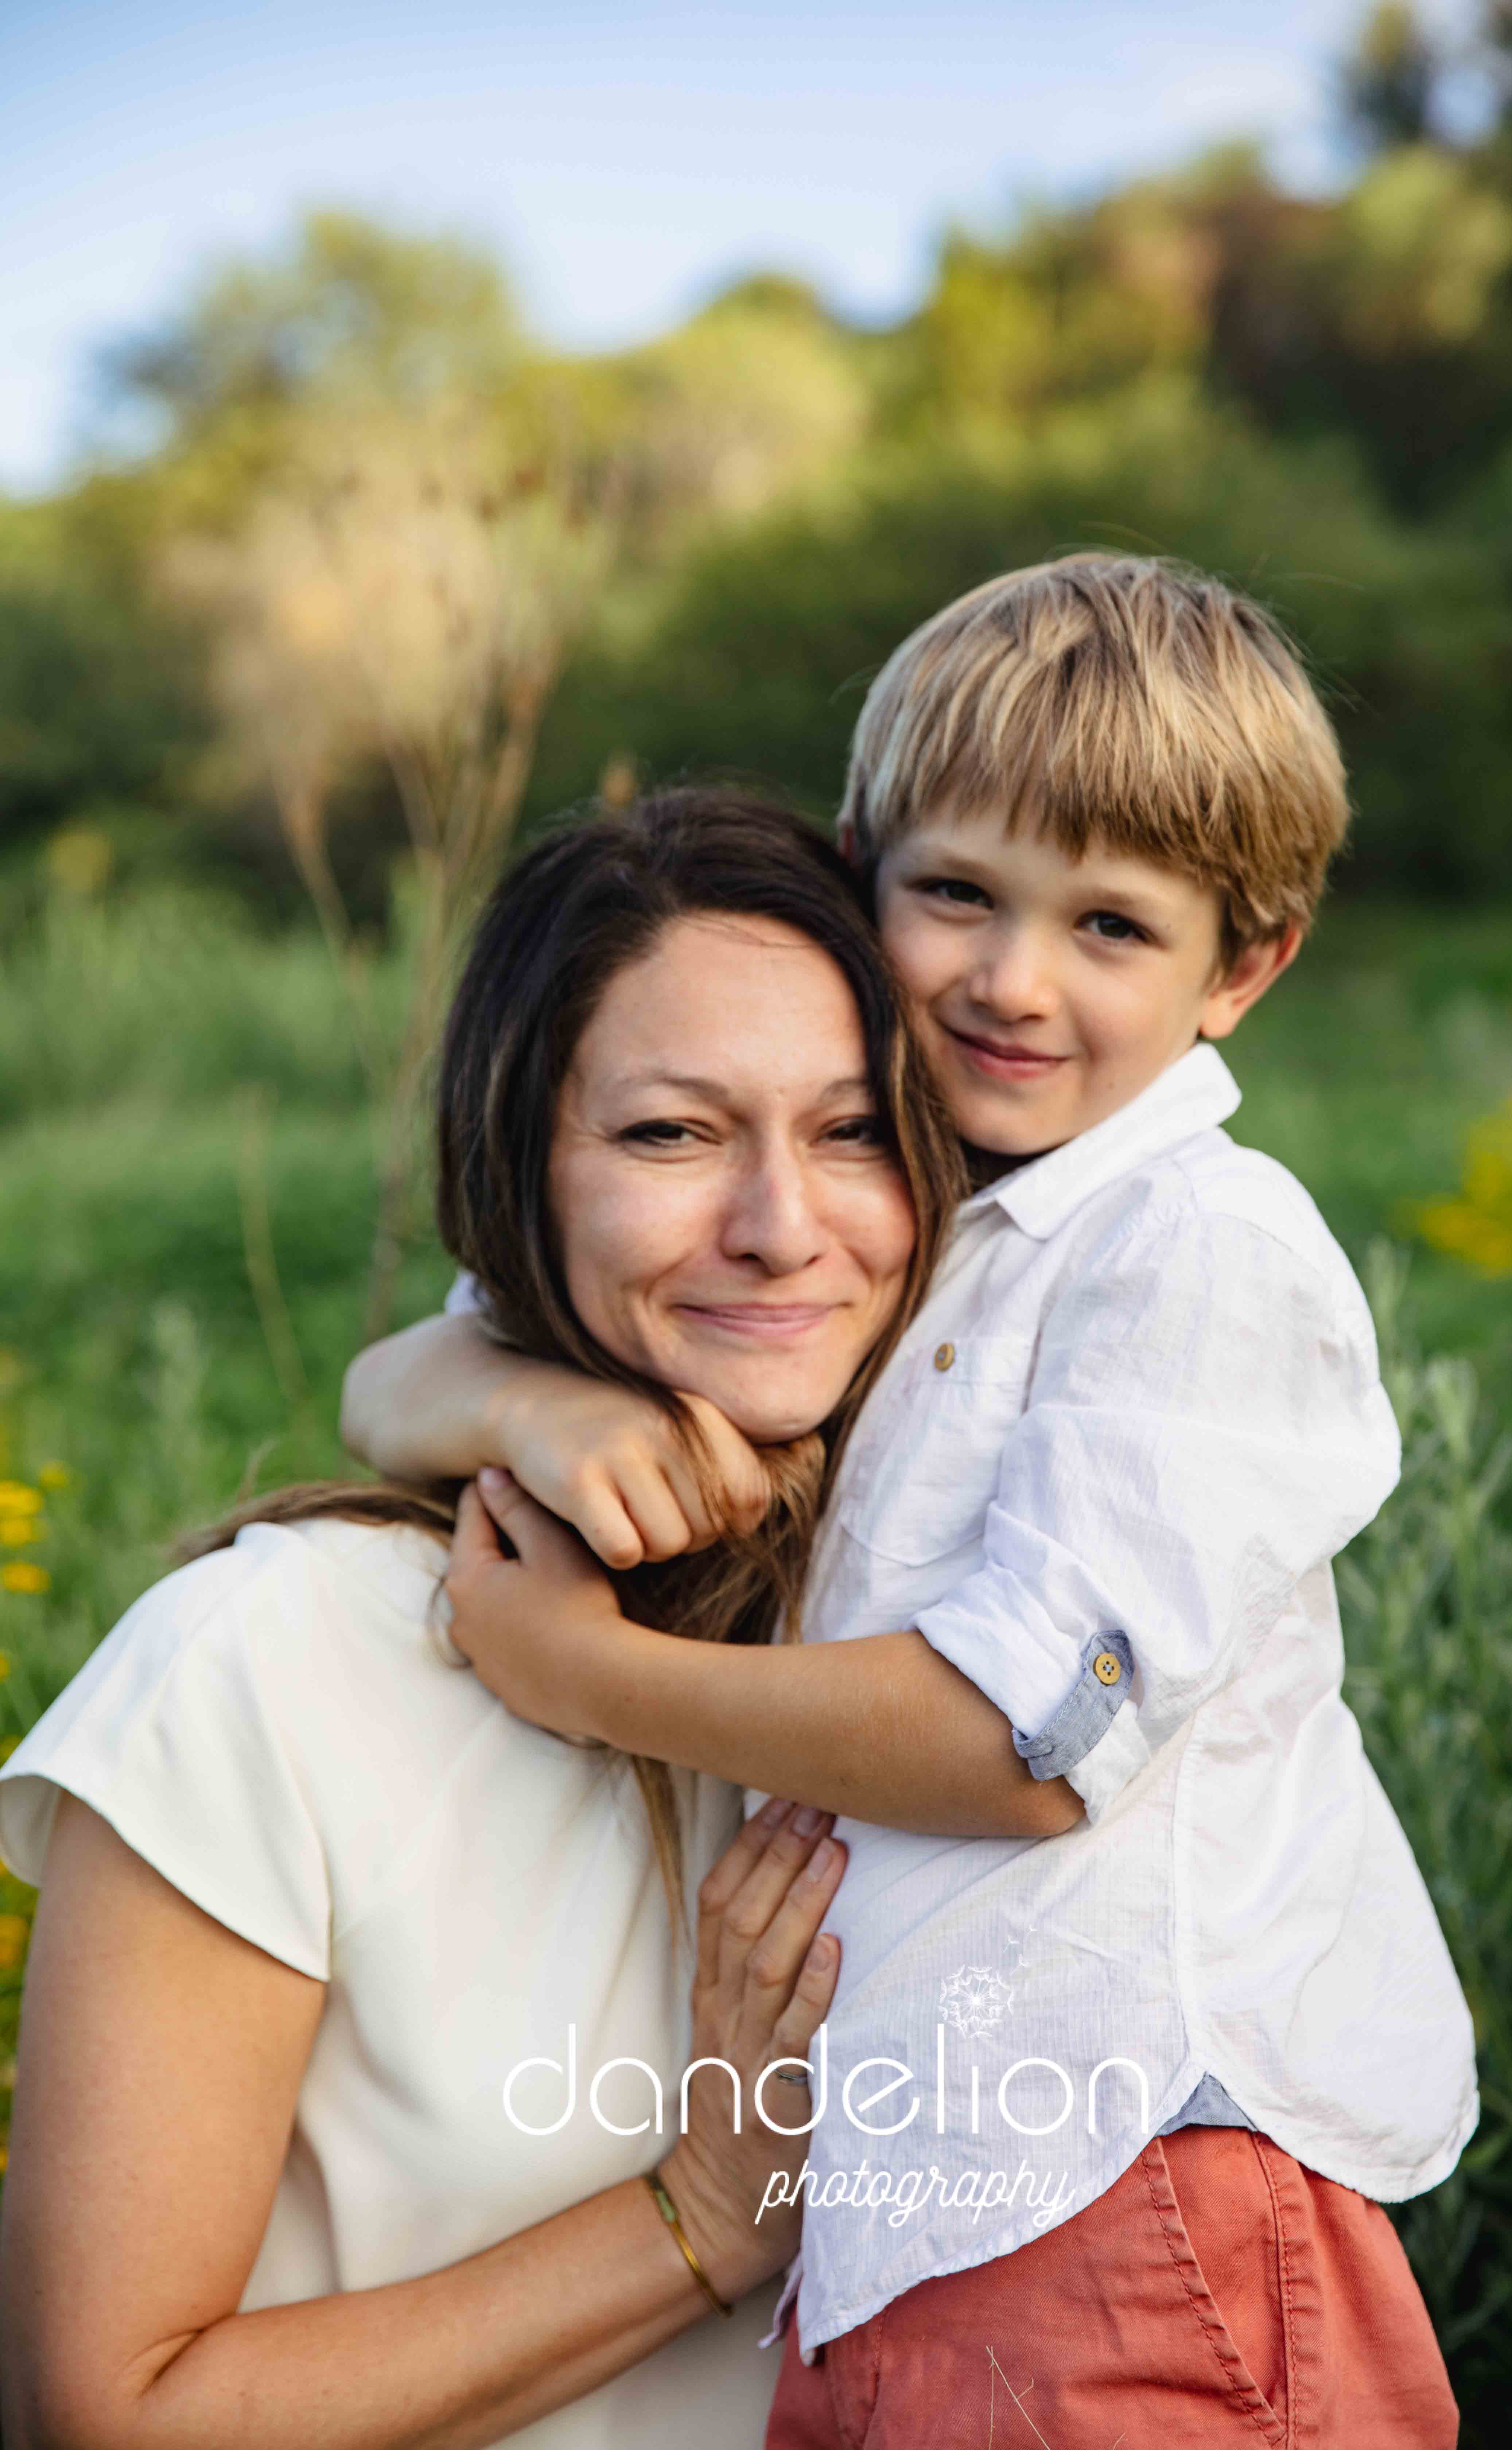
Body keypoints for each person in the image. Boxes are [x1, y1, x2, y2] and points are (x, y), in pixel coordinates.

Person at [343, 555, 1476, 2445]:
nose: (1012, 981)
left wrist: (588, 1672)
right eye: (958, 893)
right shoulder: (884, 1201)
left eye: (1109, 926)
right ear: (863, 870)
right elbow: (399, 1375)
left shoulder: (1194, 1252)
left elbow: (1028, 1741)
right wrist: (525, 1398)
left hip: (1130, 2197)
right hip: (902, 2215)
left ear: (1243, 969)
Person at [0, 788, 1033, 2450]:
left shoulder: (963, 1646)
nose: (781, 1228)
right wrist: (705, 2214)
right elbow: (109, 2414)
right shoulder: (271, 1662)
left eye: (852, 1132)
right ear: (519, 1169)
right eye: (670, 1135)